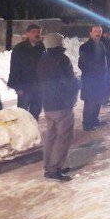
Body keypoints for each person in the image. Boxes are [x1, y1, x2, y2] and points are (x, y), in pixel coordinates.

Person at [36, 33, 79, 182]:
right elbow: (68, 81)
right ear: (59, 44)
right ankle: (55, 168)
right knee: (63, 136)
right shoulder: (62, 59)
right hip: (62, 104)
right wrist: (77, 84)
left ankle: (48, 167)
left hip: (48, 104)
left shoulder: (43, 59)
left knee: (51, 136)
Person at [7, 23, 45, 120]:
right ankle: (23, 133)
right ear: (27, 34)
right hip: (24, 87)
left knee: (36, 112)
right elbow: (14, 68)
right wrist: (17, 86)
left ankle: (33, 131)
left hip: (38, 86)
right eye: (33, 32)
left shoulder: (41, 47)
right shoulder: (19, 48)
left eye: (38, 32)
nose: (37, 34)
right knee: (22, 113)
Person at [78, 25, 108, 131]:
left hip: (100, 78)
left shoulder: (102, 45)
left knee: (98, 100)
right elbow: (81, 64)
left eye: (99, 31)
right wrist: (93, 72)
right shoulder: (85, 47)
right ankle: (87, 124)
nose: (98, 33)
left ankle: (94, 120)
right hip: (90, 79)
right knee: (90, 102)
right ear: (90, 33)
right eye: (95, 31)